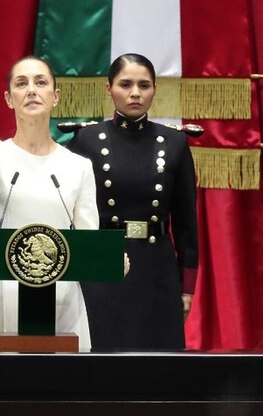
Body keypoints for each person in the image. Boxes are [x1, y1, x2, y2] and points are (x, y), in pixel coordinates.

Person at [0, 56, 103, 352]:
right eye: (21, 84)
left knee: (60, 390)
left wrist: (109, 258)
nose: (32, 90)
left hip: (57, 297)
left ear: (55, 96)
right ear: (10, 99)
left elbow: (88, 240)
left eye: (41, 82)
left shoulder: (79, 167)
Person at [67, 53, 198, 350]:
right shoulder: (86, 140)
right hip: (102, 263)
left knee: (158, 364)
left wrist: (186, 288)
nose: (135, 93)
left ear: (155, 89)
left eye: (144, 85)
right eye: (125, 84)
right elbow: (71, 215)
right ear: (108, 88)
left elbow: (187, 223)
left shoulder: (174, 143)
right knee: (102, 358)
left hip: (156, 267)